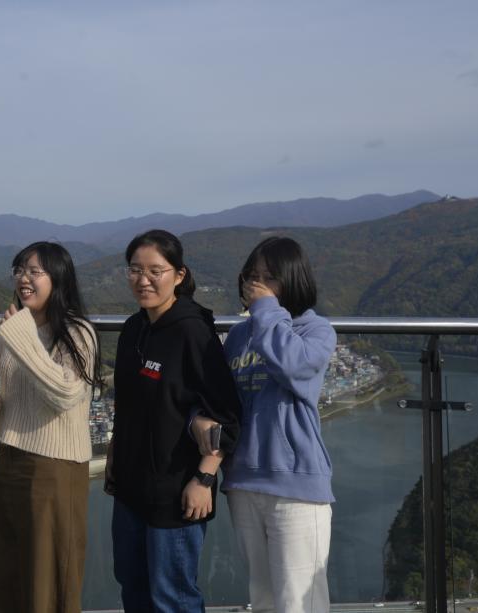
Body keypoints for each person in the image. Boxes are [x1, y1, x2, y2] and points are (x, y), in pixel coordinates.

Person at [0, 241, 101, 613]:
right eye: (20, 270)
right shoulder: (25, 327)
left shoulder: (77, 332)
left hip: (54, 468)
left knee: (46, 575)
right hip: (11, 460)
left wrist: (20, 333)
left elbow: (64, 392)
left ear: (59, 278)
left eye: (35, 271)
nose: (24, 278)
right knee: (5, 569)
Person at [107, 229, 242, 612]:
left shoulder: (192, 331)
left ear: (179, 275)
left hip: (176, 488)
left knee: (173, 597)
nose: (143, 280)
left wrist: (204, 479)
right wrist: (115, 456)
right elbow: (128, 405)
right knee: (132, 585)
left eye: (155, 271)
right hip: (130, 487)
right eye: (135, 270)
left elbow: (227, 415)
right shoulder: (134, 329)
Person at [219, 236, 336, 613]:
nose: (257, 285)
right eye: (252, 276)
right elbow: (219, 398)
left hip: (296, 484)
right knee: (264, 600)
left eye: (269, 277)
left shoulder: (315, 331)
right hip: (243, 481)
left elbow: (293, 366)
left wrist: (266, 308)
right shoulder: (238, 337)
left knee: (300, 602)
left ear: (292, 279)